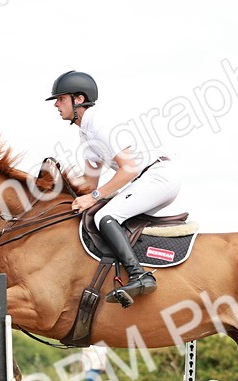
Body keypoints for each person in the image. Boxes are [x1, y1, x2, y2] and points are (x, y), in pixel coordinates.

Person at [47, 70, 182, 306]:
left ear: (79, 99)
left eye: (61, 99)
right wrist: (58, 189)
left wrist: (93, 197)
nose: (56, 105)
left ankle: (140, 276)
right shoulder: (85, 133)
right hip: (146, 179)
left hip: (157, 176)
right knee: (97, 212)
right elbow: (90, 184)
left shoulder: (100, 123)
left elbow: (128, 169)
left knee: (105, 216)